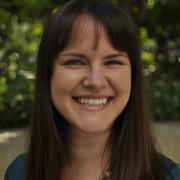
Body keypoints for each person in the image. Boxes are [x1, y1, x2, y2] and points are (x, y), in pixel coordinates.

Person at [4, 0, 180, 180]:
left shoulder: (170, 176)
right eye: (75, 62)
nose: (95, 81)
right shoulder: (19, 172)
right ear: (48, 74)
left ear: (132, 76)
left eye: (112, 62)